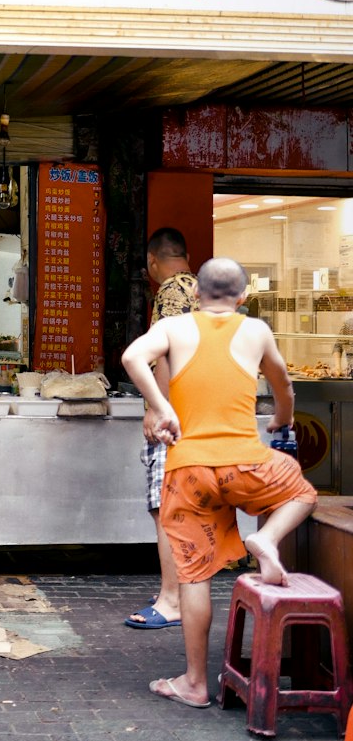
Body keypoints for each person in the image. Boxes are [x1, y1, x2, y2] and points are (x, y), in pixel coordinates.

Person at [121, 256, 317, 709]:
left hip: (188, 471)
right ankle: (265, 538)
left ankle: (193, 682)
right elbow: (284, 384)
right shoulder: (256, 330)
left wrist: (162, 407)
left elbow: (133, 357)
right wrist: (282, 422)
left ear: (194, 294)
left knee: (194, 575)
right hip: (245, 464)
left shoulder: (174, 328)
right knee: (303, 492)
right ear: (243, 297)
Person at [124, 228, 198, 630]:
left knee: (165, 508)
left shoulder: (170, 291)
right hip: (199, 412)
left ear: (153, 261)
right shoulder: (204, 288)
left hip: (176, 416)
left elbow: (166, 351)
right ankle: (181, 591)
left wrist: (157, 407)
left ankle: (171, 600)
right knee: (183, 509)